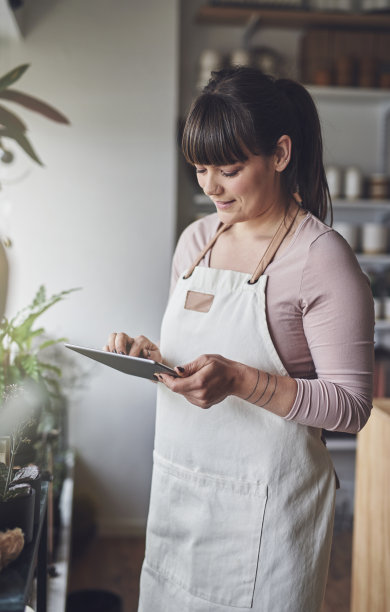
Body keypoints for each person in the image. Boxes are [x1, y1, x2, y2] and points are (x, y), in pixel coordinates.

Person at [105, 67, 374, 611]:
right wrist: (152, 358)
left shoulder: (320, 258)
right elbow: (190, 360)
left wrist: (243, 380)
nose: (210, 187)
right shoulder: (196, 241)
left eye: (228, 169)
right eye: (201, 169)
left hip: (268, 521)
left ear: (279, 154)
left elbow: (350, 406)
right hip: (181, 501)